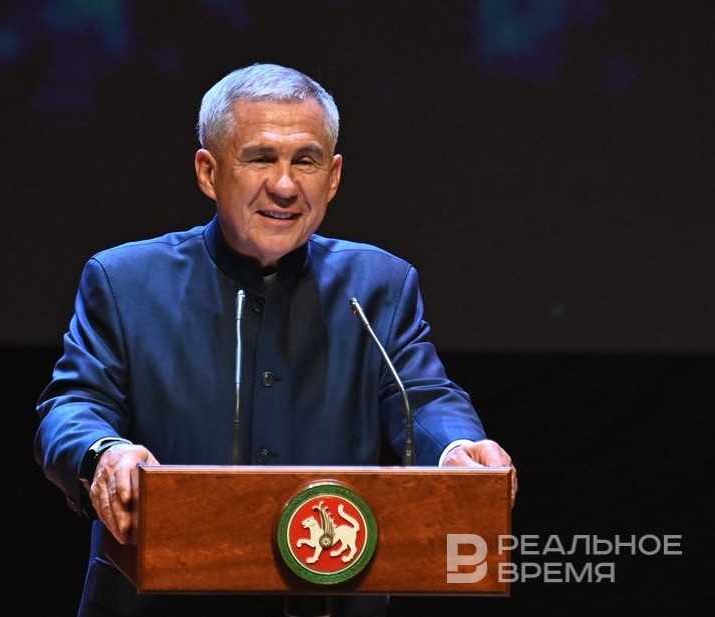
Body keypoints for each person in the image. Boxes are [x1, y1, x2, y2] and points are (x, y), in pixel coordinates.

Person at [34, 63, 516, 617]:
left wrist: (457, 449)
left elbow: (423, 398)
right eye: (261, 158)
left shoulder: (379, 285)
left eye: (305, 161)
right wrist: (105, 454)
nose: (285, 186)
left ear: (332, 177)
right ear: (208, 172)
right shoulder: (125, 281)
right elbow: (73, 405)